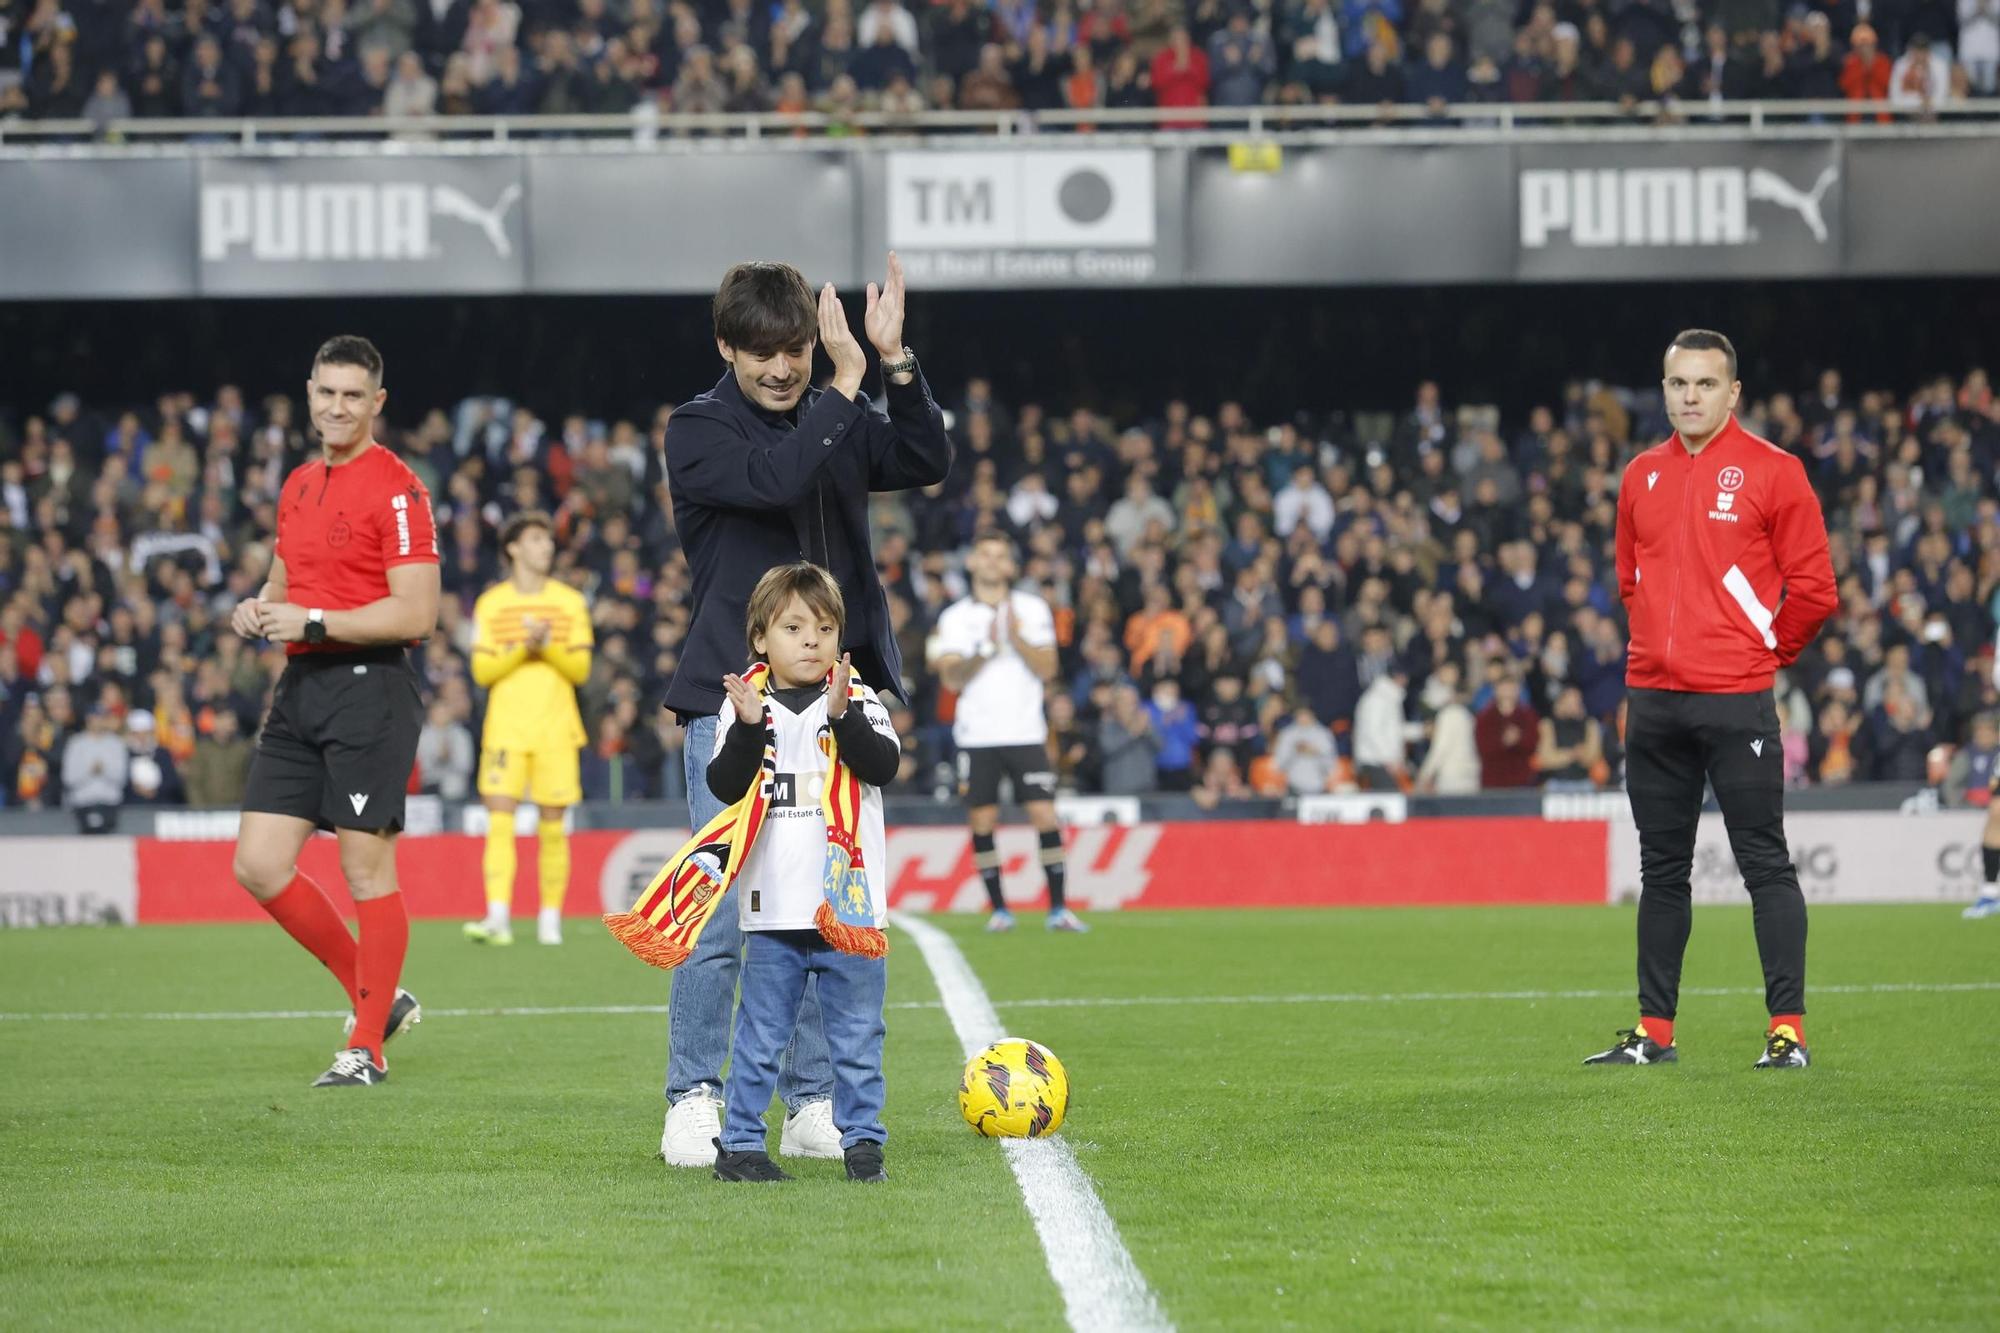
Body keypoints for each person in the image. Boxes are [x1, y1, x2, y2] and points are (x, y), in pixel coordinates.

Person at [656, 254, 951, 1168]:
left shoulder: (835, 416)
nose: (785, 368)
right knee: (720, 909)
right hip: (737, 704)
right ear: (726, 347)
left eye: (795, 351)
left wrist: (894, 364)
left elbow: (925, 456)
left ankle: (813, 1100)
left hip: (833, 703)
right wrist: (848, 387)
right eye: (764, 354)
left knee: (828, 900)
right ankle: (694, 1097)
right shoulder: (698, 430)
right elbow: (780, 478)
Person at [1587, 329, 1836, 1071]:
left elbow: (1816, 591)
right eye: (1677, 384)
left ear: (1733, 394)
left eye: (1704, 384)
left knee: (1765, 863)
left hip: (1737, 701)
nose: (1689, 397)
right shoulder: (1640, 475)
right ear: (1663, 390)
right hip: (1654, 703)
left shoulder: (1774, 471)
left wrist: (1765, 651)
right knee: (1661, 871)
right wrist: (1655, 651)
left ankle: (1786, 1030)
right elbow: (1630, 578)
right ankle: (1653, 1032)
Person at [228, 336, 439, 1088]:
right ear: (310, 393)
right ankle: (377, 996)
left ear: (377, 403)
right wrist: (258, 610)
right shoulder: (296, 485)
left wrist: (311, 622)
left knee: (363, 865)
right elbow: (284, 585)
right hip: (302, 690)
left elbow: (417, 610)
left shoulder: (399, 489)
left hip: (369, 688)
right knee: (256, 863)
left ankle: (367, 1047)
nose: (337, 407)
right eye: (327, 393)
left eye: (354, 395)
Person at [705, 564, 901, 1182]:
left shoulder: (859, 699)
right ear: (761, 638)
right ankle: (738, 1147)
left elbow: (882, 765)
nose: (811, 640)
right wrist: (747, 728)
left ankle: (863, 1144)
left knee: (858, 1038)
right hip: (772, 911)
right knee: (760, 1038)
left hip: (849, 910)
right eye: (793, 627)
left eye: (824, 627)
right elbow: (725, 785)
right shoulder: (743, 707)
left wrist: (843, 716)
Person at [929, 531, 1087, 933]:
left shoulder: (1032, 610)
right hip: (977, 735)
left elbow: (1049, 669)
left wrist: (1014, 636)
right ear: (973, 563)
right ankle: (999, 910)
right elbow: (950, 677)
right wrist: (986, 647)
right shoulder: (955, 617)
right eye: (986, 555)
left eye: (1001, 556)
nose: (993, 562)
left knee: (1044, 814)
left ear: (1011, 566)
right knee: (982, 821)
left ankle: (1058, 908)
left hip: (1025, 731)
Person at [463, 510, 593, 947]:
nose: (546, 547)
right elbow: (481, 670)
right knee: (499, 820)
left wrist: (547, 645)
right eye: (536, 539)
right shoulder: (491, 603)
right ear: (513, 548)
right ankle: (498, 915)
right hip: (506, 728)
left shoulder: (569, 602)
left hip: (556, 727)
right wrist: (524, 646)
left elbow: (579, 668)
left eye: (548, 540)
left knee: (553, 825)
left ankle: (549, 920)